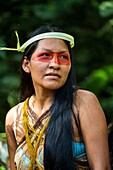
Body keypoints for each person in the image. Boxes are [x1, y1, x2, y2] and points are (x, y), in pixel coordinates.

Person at [1, 24, 111, 170]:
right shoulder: (14, 117)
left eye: (63, 57)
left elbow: (101, 167)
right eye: (45, 55)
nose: (55, 64)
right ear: (26, 64)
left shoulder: (82, 102)